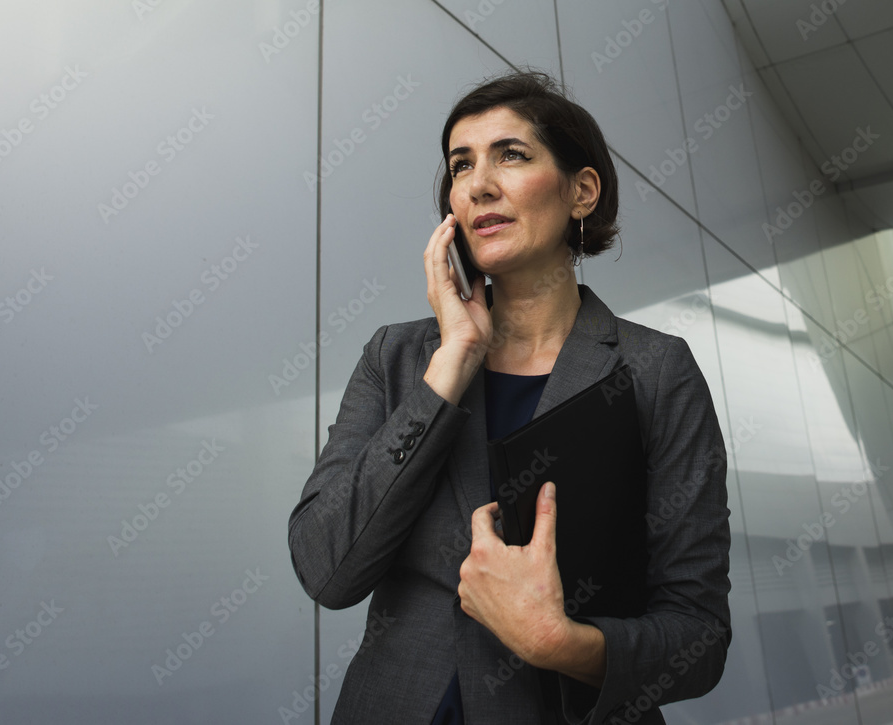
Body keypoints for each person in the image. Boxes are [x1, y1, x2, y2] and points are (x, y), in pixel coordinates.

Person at [288, 69, 731, 725]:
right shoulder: (400, 357)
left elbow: (697, 637)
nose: (478, 184)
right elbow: (328, 569)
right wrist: (454, 360)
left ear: (582, 191)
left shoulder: (656, 371)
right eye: (460, 165)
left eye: (511, 155)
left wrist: (561, 642)